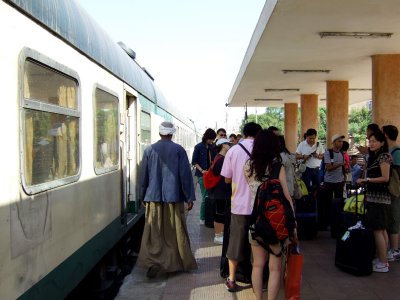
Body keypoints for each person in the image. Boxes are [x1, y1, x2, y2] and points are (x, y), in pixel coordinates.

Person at [137, 121, 197, 278]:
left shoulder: (149, 150)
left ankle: (153, 262)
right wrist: (189, 197)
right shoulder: (179, 150)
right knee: (174, 231)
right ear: (172, 133)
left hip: (153, 197)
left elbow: (143, 175)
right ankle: (173, 262)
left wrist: (142, 195)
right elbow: (185, 176)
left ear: (159, 133)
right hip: (174, 198)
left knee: (154, 231)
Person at [244, 129, 296, 300]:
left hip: (257, 221)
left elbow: (252, 191)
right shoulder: (277, 166)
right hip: (277, 221)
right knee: (275, 268)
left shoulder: (248, 166)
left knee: (257, 265)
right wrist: (293, 222)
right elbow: (287, 196)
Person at [220, 122, 262, 292]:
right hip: (260, 205)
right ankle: (257, 281)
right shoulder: (263, 150)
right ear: (258, 134)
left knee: (236, 242)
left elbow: (226, 179)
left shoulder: (233, 150)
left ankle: (231, 279)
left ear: (244, 134)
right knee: (258, 243)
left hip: (238, 205)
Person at [357, 130, 392, 273]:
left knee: (378, 230)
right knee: (381, 229)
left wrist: (367, 180)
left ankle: (383, 263)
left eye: (374, 141)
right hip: (375, 197)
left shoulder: (384, 157)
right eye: (370, 141)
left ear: (382, 143)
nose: (371, 144)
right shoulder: (374, 157)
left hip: (379, 198)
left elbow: (385, 178)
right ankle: (382, 258)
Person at [207, 138, 232, 244]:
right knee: (220, 213)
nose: (229, 145)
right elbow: (224, 175)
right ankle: (218, 236)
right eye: (228, 144)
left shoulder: (219, 157)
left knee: (220, 212)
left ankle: (219, 234)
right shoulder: (222, 159)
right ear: (223, 145)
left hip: (219, 191)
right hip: (221, 191)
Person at [382, 125, 400, 261]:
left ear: (386, 135)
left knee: (394, 218)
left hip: (395, 191)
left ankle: (395, 250)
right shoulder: (388, 151)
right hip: (389, 191)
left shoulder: (396, 152)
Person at [320, 134, 345, 231]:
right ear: (333, 143)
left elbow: (342, 167)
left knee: (339, 202)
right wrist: (339, 164)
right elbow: (328, 167)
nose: (341, 143)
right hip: (329, 182)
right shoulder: (328, 153)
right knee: (326, 203)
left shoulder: (342, 153)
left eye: (342, 141)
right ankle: (326, 223)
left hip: (339, 182)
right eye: (339, 141)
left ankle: (337, 223)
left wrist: (344, 174)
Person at [192, 128, 217, 224]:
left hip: (211, 174)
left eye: (213, 139)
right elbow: (194, 161)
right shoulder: (198, 147)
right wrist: (202, 170)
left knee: (210, 195)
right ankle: (202, 218)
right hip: (201, 175)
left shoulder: (212, 147)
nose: (211, 141)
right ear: (207, 137)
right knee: (205, 195)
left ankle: (208, 216)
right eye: (211, 139)